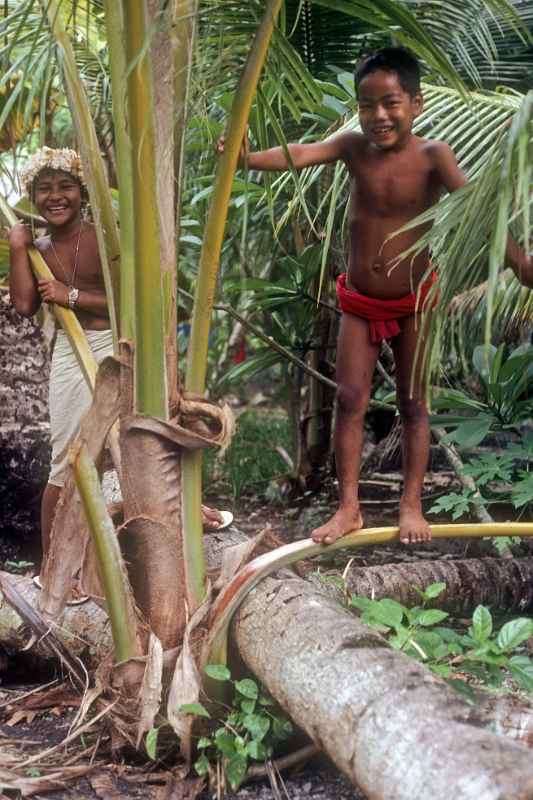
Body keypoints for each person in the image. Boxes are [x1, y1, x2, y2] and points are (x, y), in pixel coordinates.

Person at [218, 47, 533, 546]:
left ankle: (411, 504)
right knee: (348, 400)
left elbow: (478, 211)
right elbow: (301, 152)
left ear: (416, 103)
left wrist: (520, 263)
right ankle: (349, 508)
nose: (379, 116)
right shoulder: (351, 147)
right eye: (367, 106)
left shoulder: (435, 155)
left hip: (415, 302)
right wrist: (247, 159)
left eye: (391, 103)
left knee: (413, 404)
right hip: (360, 301)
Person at [9, 147, 232, 588]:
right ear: (32, 197)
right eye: (45, 189)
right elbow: (23, 303)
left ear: (83, 193)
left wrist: (70, 295)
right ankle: (54, 565)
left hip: (124, 344)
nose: (56, 197)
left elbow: (133, 299)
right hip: (73, 354)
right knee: (68, 458)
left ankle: (187, 513)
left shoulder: (102, 238)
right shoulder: (37, 247)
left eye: (66, 187)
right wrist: (18, 246)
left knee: (148, 438)